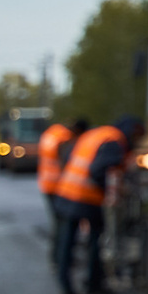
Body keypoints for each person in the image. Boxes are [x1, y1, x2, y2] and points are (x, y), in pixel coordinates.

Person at [54, 116, 138, 294]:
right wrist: (110, 192)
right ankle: (93, 283)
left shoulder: (95, 133)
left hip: (67, 190)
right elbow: (99, 170)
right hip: (87, 196)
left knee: (67, 241)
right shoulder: (114, 141)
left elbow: (67, 156)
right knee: (95, 240)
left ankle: (65, 285)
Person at [37, 116, 86, 280]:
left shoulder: (51, 133)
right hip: (59, 186)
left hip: (46, 184)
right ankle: (61, 259)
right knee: (63, 225)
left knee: (58, 223)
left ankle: (57, 259)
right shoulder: (64, 138)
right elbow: (66, 160)